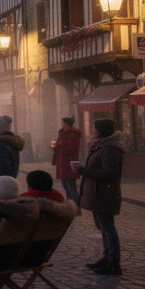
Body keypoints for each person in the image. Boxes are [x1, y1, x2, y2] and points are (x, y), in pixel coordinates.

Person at [77, 118, 125, 275]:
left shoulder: (109, 149)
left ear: (101, 131)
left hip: (104, 193)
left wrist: (83, 170)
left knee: (108, 228)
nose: (92, 130)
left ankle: (114, 262)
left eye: (94, 128)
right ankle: (107, 257)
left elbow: (110, 173)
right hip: (97, 193)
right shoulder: (100, 145)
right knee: (103, 228)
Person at [53, 117, 82, 203]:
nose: (61, 124)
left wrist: (58, 148)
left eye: (62, 123)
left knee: (71, 187)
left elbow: (71, 149)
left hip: (69, 164)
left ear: (66, 124)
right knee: (66, 187)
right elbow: (60, 145)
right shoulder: (62, 133)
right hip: (62, 163)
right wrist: (55, 148)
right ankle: (70, 206)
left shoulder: (73, 134)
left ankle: (76, 207)